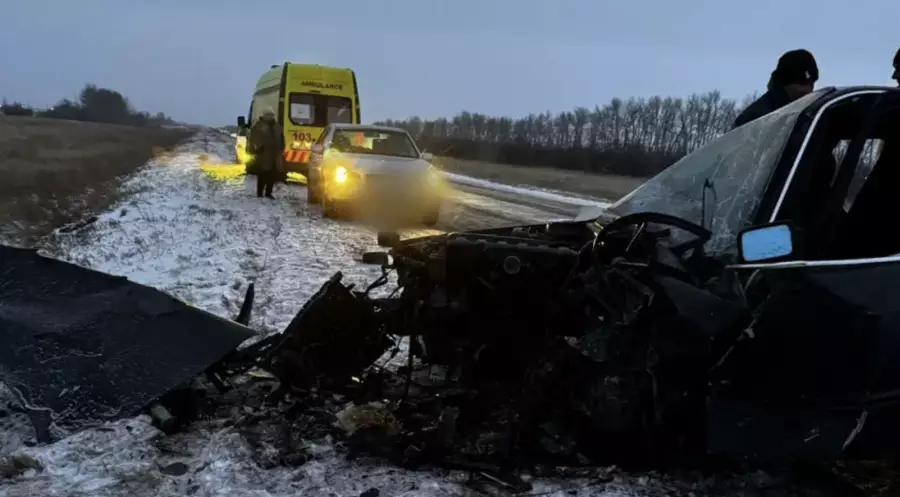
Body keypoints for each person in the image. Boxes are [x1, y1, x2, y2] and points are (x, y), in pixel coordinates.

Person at [732, 49, 819, 129]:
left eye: (811, 84)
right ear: (785, 83)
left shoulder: (810, 116)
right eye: (801, 82)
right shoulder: (753, 119)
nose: (807, 90)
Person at [249, 108, 281, 199]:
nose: (270, 117)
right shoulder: (259, 126)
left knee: (272, 174)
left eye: (271, 115)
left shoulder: (277, 126)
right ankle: (260, 192)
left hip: (274, 154)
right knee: (262, 174)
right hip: (263, 154)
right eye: (268, 115)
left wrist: (281, 148)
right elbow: (253, 139)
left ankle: (268, 192)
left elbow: (281, 138)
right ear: (264, 116)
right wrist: (256, 149)